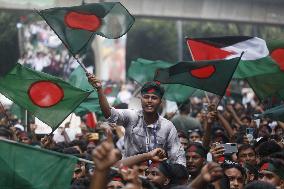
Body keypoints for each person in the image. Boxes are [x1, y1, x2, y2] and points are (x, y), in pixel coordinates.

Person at [88, 74, 186, 165]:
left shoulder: (168, 126)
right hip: (129, 174)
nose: (149, 101)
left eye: (154, 98)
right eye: (146, 97)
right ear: (140, 98)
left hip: (156, 178)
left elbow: (178, 158)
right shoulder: (131, 116)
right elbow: (109, 114)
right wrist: (100, 89)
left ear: (160, 101)